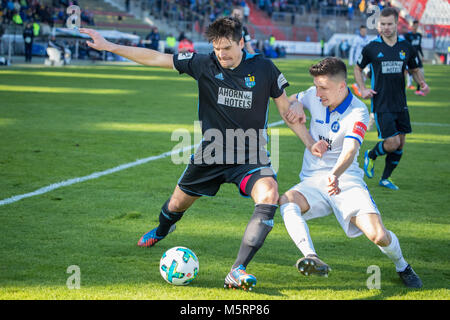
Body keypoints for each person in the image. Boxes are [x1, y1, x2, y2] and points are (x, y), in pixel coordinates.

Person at [79, 17, 306, 291]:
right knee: (175, 206)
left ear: (242, 43)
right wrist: (109, 46)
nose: (221, 54)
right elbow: (155, 58)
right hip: (210, 155)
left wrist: (309, 137)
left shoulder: (264, 68)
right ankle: (163, 230)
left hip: (251, 155)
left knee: (269, 193)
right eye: (217, 48)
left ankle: (237, 270)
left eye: (226, 48)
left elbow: (287, 110)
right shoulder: (203, 63)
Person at [279, 57, 423, 288]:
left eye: (323, 88)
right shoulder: (314, 95)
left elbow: (350, 150)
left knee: (378, 235)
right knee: (287, 200)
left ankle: (402, 266)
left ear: (341, 86)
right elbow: (292, 99)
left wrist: (335, 174)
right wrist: (295, 103)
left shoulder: (358, 112)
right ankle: (311, 256)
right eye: (316, 86)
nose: (317, 93)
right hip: (313, 180)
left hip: (344, 179)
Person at [354, 7, 429, 190]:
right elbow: (357, 68)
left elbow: (414, 68)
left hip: (400, 103)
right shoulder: (372, 48)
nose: (386, 28)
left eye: (389, 24)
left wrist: (422, 83)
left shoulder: (406, 47)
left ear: (396, 24)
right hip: (381, 103)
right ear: (378, 25)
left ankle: (385, 178)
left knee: (401, 143)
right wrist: (363, 88)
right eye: (383, 24)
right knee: (392, 142)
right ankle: (371, 155)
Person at [403, 20, 425, 96]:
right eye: (414, 25)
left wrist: (422, 55)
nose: (415, 27)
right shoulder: (407, 36)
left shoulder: (419, 35)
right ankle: (405, 87)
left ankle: (418, 89)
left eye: (416, 25)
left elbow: (419, 47)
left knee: (420, 71)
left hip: (416, 56)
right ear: (411, 26)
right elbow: (406, 47)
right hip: (409, 57)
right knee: (406, 72)